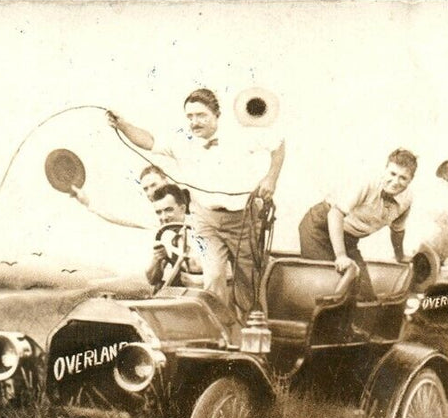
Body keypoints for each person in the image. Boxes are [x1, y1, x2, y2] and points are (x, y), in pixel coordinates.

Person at [108, 89, 286, 324]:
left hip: (242, 218)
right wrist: (122, 125)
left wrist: (270, 179)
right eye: (190, 116)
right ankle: (222, 335)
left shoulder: (241, 136)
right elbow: (148, 141)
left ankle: (252, 339)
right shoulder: (182, 142)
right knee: (213, 278)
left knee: (248, 284)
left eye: (201, 115)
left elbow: (278, 144)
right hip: (206, 220)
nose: (195, 121)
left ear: (216, 114)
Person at [297, 148, 417, 301]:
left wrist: (400, 256)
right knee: (332, 287)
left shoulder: (407, 199)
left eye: (403, 178)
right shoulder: (367, 183)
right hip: (319, 229)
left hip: (348, 240)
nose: (395, 182)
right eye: (392, 174)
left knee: (365, 296)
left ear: (410, 180)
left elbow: (397, 229)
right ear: (386, 169)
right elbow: (335, 213)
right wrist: (340, 256)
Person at [70, 165, 174, 231]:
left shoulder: (188, 195)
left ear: (166, 180)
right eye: (146, 189)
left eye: (154, 185)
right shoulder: (154, 216)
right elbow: (120, 217)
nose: (150, 192)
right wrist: (88, 203)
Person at [144, 184, 203, 291]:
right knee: (158, 288)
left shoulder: (200, 228)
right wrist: (157, 259)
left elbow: (199, 268)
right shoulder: (164, 234)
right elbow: (151, 279)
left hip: (206, 288)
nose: (164, 217)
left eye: (168, 210)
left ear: (182, 209)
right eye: (159, 212)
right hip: (186, 289)